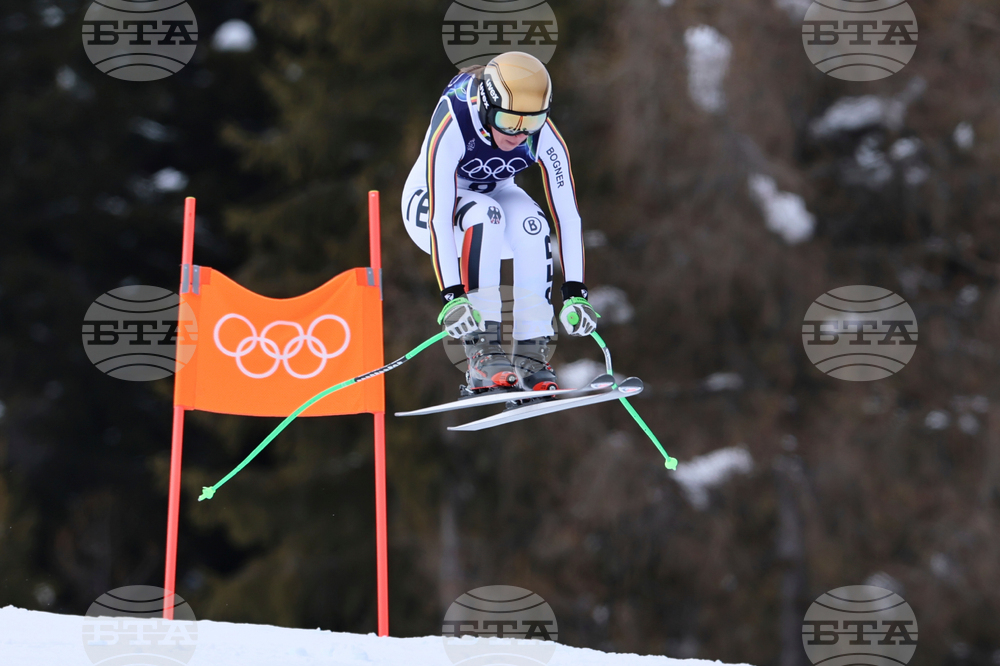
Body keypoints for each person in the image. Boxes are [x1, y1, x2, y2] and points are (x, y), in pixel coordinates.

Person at [401, 51, 599, 396]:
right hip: (432, 203)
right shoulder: (456, 118)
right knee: (484, 215)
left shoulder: (541, 133)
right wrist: (453, 296)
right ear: (487, 107)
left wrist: (576, 293)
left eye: (531, 123)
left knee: (533, 225)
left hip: (497, 192)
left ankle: (531, 356)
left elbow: (567, 215)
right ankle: (482, 351)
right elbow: (439, 215)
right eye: (508, 121)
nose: (519, 134)